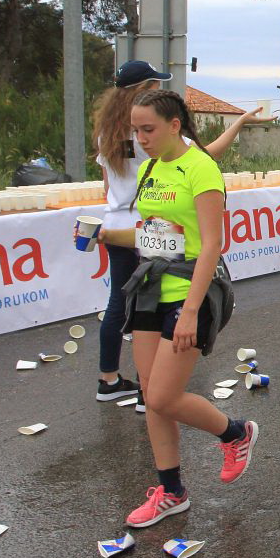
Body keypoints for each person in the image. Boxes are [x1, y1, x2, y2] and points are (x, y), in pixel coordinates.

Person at [94, 89, 258, 529]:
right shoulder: (149, 168)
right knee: (152, 398)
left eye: (148, 129)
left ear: (173, 125)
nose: (141, 139)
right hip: (149, 288)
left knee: (165, 395)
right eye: (136, 130)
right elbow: (150, 234)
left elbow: (211, 245)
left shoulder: (200, 167)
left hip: (191, 292)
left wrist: (189, 311)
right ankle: (171, 491)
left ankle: (235, 432)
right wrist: (110, 236)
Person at [90, 60, 268, 410]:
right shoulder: (156, 134)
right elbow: (202, 157)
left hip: (117, 222)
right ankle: (153, 391)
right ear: (144, 90)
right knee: (158, 302)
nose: (143, 138)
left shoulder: (107, 132)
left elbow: (107, 185)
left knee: (119, 304)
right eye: (154, 85)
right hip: (152, 223)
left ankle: (110, 378)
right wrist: (240, 124)